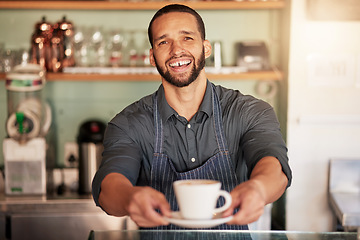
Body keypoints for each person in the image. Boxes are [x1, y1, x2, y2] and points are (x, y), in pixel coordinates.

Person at [92, 4, 292, 230]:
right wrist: (130, 198)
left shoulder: (249, 111)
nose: (176, 50)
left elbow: (274, 165)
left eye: (187, 38)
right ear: (151, 56)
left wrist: (259, 189)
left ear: (205, 48)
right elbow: (109, 185)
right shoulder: (129, 123)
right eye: (163, 42)